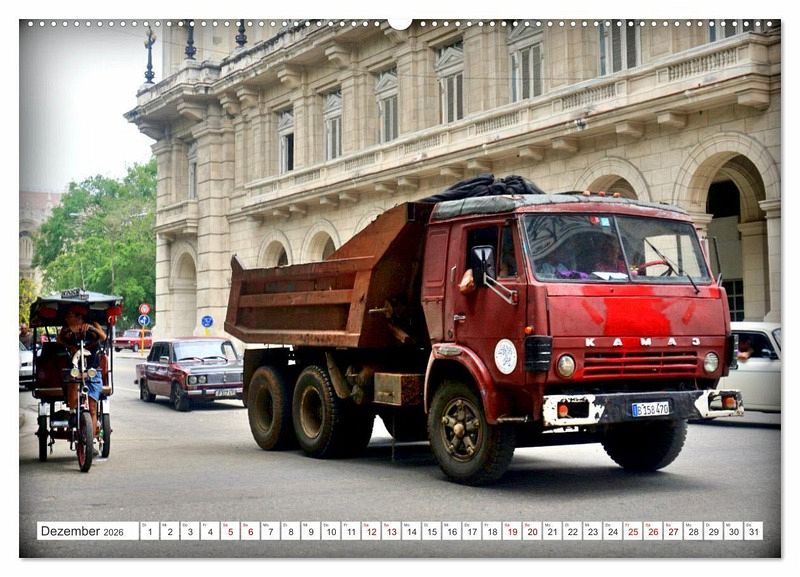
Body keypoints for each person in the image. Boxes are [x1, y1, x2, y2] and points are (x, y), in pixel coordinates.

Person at [57, 304, 107, 448]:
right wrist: (68, 331)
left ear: (79, 316)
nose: (67, 318)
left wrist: (91, 328)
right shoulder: (66, 329)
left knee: (92, 408)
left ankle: (91, 440)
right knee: (72, 385)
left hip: (93, 371)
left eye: (70, 316)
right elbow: (59, 341)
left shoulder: (93, 325)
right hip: (75, 370)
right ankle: (73, 412)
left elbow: (103, 337)